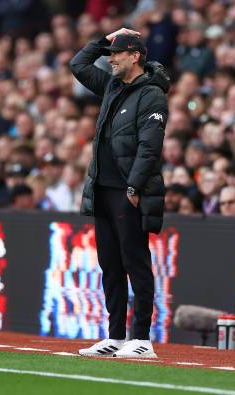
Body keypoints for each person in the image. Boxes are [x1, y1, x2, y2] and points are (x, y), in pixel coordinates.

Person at [71, 28, 170, 358]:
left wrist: (134, 186)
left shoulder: (152, 94)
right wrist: (106, 39)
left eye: (117, 53)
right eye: (110, 53)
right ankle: (115, 336)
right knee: (110, 265)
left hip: (128, 192)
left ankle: (141, 339)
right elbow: (78, 65)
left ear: (136, 56)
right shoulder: (113, 85)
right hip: (103, 189)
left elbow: (149, 146)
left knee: (135, 262)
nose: (110, 59)